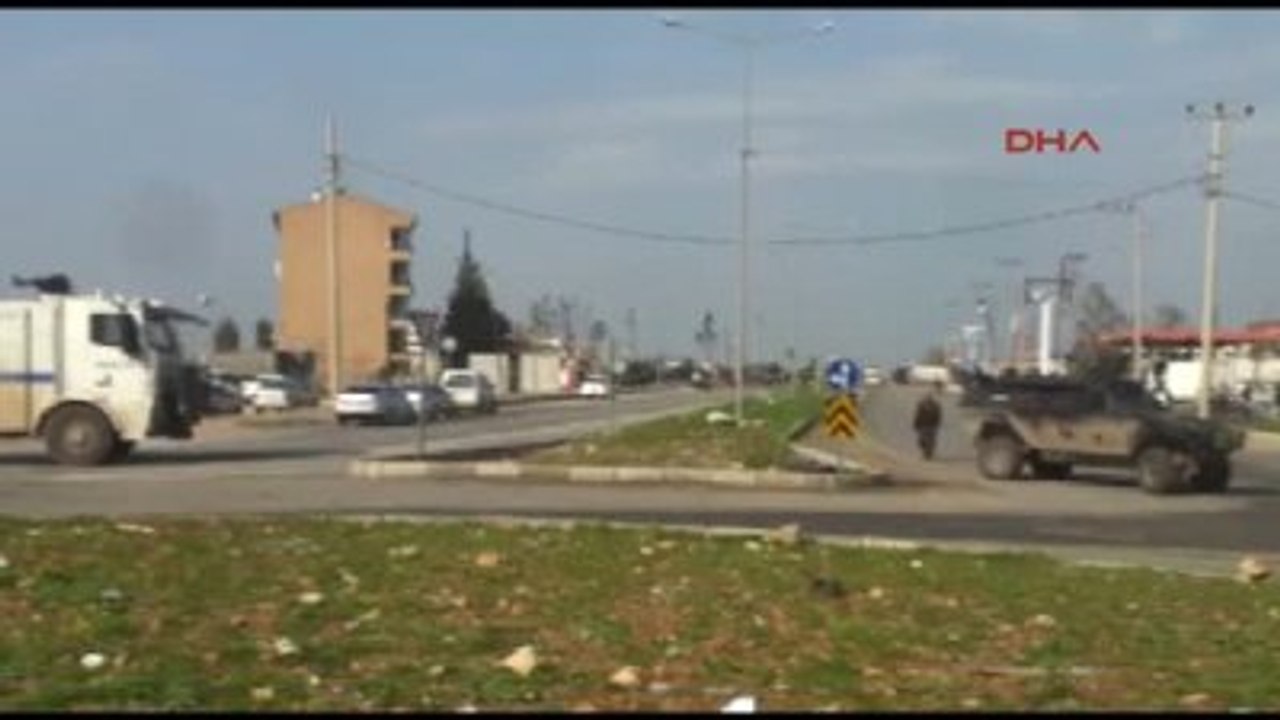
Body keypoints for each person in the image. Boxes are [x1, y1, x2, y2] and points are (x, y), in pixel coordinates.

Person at [913, 382, 944, 461]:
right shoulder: (921, 404)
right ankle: (925, 451)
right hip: (923, 425)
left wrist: (938, 424)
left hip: (932, 425)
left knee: (932, 440)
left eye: (929, 397)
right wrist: (916, 423)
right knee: (921, 441)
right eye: (927, 397)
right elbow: (918, 414)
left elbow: (939, 415)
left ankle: (929, 453)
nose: (928, 399)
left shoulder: (936, 406)